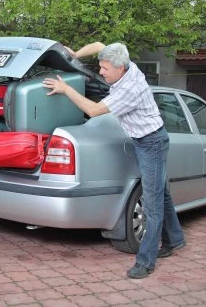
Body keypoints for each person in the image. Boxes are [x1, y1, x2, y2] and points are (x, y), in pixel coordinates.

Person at [42, 42, 185, 279]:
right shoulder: (125, 61)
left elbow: (94, 110)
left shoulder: (129, 90)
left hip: (152, 143)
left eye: (105, 68)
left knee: (152, 202)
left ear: (120, 68)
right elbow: (99, 45)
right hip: (144, 140)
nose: (100, 72)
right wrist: (76, 54)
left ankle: (145, 261)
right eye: (100, 66)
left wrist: (66, 89)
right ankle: (175, 239)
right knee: (161, 192)